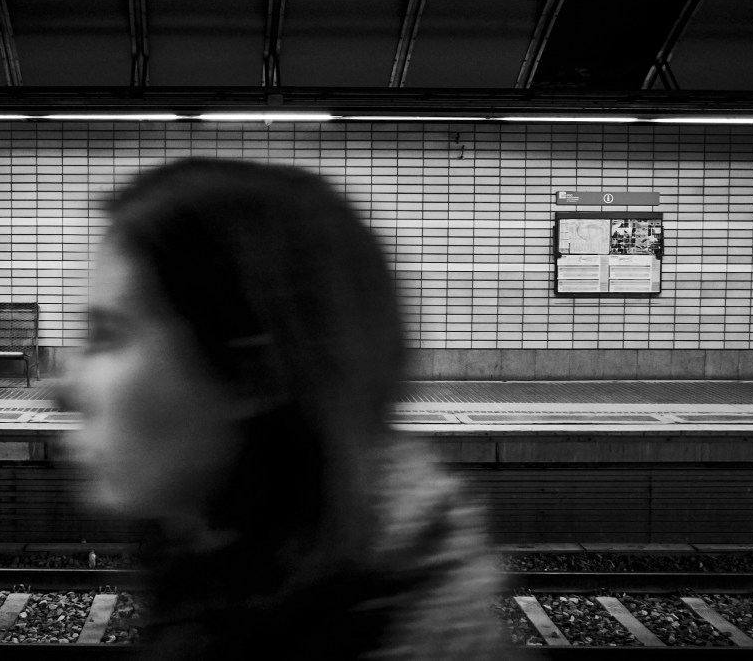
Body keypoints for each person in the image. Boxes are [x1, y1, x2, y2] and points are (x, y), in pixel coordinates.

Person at [58, 158, 506, 660]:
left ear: (251, 373)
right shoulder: (242, 574)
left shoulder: (392, 633)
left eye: (109, 336)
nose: (64, 387)